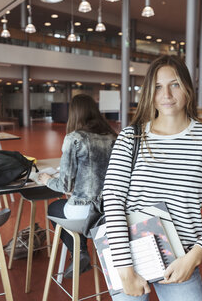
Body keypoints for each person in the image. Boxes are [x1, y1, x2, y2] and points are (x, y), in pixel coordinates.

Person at [102, 55, 202, 300]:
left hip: (181, 258)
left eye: (174, 84)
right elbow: (112, 199)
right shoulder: (131, 137)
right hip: (130, 254)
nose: (167, 95)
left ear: (187, 88)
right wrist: (125, 269)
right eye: (158, 87)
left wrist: (195, 256)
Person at [38, 94, 117, 278]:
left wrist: (46, 179)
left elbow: (64, 185)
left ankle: (79, 251)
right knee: (68, 208)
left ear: (74, 113)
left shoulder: (75, 138)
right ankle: (81, 251)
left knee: (54, 207)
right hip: (109, 210)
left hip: (83, 210)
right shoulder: (113, 137)